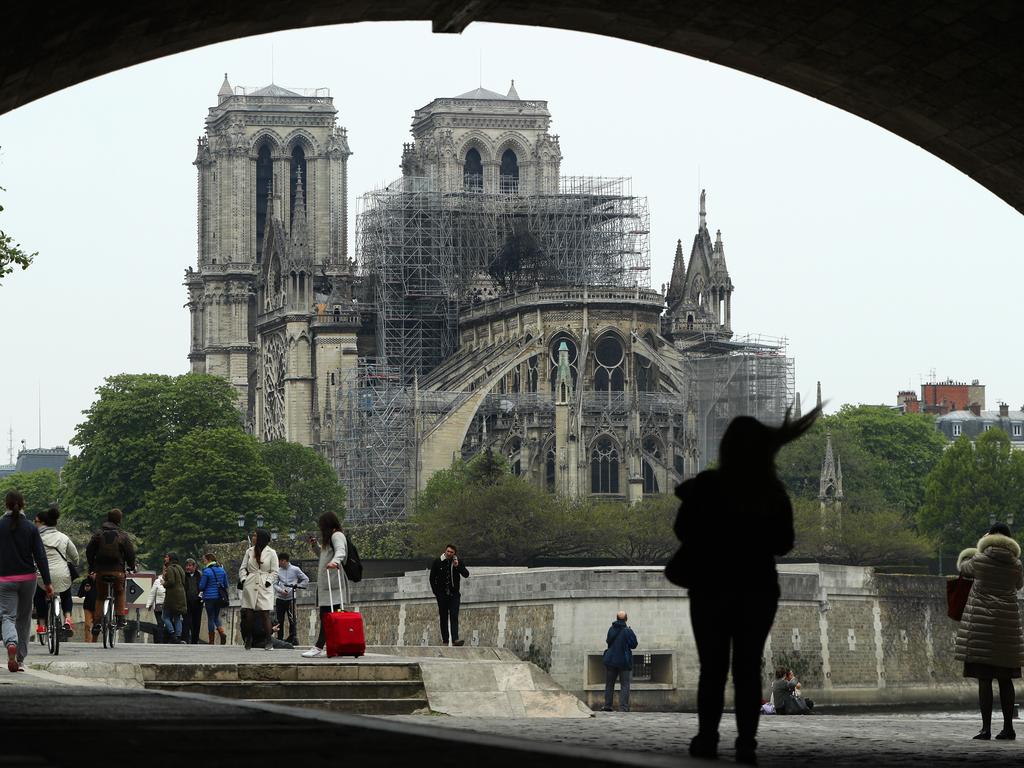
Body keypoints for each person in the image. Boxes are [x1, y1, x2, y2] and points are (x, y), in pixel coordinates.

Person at [666, 407, 820, 765]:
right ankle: (746, 743)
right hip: (756, 588)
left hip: (710, 587)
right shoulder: (771, 493)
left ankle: (707, 738)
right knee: (747, 669)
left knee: (712, 669)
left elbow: (682, 530)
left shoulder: (707, 488)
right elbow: (784, 543)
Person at [955, 521, 1024, 741]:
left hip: (981, 629)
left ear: (989, 537)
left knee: (984, 680)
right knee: (1006, 680)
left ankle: (985, 729)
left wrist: (977, 548)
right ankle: (1008, 728)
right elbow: (1019, 585)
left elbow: (962, 567)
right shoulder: (1016, 564)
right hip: (1007, 629)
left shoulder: (979, 559)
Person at [0, 491, 53, 672]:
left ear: (6, 505)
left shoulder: (0, 526)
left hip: (4, 579)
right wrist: (47, 582)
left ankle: (11, 643)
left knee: (7, 616)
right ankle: (20, 659)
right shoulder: (31, 528)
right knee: (23, 619)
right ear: (23, 505)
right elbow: (40, 557)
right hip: (28, 579)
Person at [302, 512, 348, 658]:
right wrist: (315, 546)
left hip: (333, 584)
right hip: (328, 584)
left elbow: (341, 551)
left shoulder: (337, 536)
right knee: (330, 617)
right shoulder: (330, 539)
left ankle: (318, 646)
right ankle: (336, 645)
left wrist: (335, 562)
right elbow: (323, 556)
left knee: (327, 616)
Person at [85, 508, 137, 635]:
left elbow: (89, 550)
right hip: (117, 571)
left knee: (101, 596)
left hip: (101, 571)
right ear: (119, 520)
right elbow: (130, 553)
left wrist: (92, 566)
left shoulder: (98, 534)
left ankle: (97, 623)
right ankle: (120, 618)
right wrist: (131, 566)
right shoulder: (122, 535)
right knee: (119, 592)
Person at [32, 504, 78, 637]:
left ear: (43, 523)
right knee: (66, 592)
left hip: (43, 575)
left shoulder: (36, 538)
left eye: (36, 522)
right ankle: (68, 618)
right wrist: (75, 563)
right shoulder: (64, 537)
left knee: (39, 595)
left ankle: (41, 624)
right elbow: (75, 556)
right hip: (62, 574)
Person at [239, 529, 278, 651]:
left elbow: (275, 570)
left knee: (265, 612)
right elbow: (243, 568)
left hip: (264, 583)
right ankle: (249, 638)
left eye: (255, 535)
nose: (253, 537)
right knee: (249, 613)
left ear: (261, 538)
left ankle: (268, 640)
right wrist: (244, 579)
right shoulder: (249, 551)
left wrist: (268, 581)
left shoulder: (271, 553)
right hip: (250, 582)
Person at [429, 544, 469, 647]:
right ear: (445, 551)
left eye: (451, 552)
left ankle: (455, 639)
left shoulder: (457, 562)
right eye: (448, 551)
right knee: (443, 617)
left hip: (454, 594)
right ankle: (445, 640)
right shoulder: (437, 561)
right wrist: (436, 593)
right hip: (442, 595)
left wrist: (457, 566)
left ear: (454, 553)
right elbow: (432, 578)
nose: (449, 553)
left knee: (454, 615)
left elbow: (466, 574)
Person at [602, 610, 638, 712]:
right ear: (626, 619)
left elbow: (608, 641)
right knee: (625, 685)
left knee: (609, 684)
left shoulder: (611, 629)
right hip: (624, 662)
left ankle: (607, 706)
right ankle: (623, 707)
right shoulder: (628, 631)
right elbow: (634, 645)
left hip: (611, 661)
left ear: (617, 618)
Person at [275, 552, 309, 645]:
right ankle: (279, 637)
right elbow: (274, 583)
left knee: (292, 619)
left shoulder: (295, 569)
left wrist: (297, 586)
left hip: (291, 598)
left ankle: (292, 637)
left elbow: (306, 579)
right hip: (280, 598)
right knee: (279, 619)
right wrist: (280, 590)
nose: (279, 563)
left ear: (285, 561)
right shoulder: (277, 571)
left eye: (281, 561)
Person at [198, 553, 229, 645]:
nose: (204, 562)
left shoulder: (207, 571)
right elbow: (226, 584)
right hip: (219, 598)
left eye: (204, 560)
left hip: (209, 598)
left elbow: (202, 586)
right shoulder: (222, 570)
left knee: (210, 618)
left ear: (208, 560)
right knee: (216, 616)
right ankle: (222, 632)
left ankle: (211, 641)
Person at [161, 553, 187, 644]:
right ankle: (178, 636)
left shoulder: (170, 568)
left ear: (171, 558)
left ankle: (172, 634)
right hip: (181, 595)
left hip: (172, 596)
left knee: (165, 617)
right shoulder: (180, 568)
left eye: (167, 557)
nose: (165, 558)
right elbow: (184, 581)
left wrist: (164, 583)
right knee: (177, 617)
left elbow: (171, 582)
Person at [183, 558, 203, 644]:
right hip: (186, 602)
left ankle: (195, 640)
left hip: (197, 602)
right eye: (187, 565)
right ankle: (185, 639)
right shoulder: (183, 576)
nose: (188, 567)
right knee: (186, 621)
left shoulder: (200, 575)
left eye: (190, 566)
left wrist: (201, 596)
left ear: (194, 567)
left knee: (196, 622)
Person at [146, 572, 165, 643]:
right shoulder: (157, 581)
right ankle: (160, 640)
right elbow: (152, 593)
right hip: (158, 607)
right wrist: (149, 604)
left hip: (169, 606)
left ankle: (165, 639)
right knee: (160, 623)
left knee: (167, 624)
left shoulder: (172, 581)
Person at [77, 572, 97, 642]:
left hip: (98, 607)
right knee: (87, 625)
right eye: (91, 574)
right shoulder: (85, 582)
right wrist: (85, 590)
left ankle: (94, 641)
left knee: (96, 626)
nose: (93, 575)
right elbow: (79, 594)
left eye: (94, 573)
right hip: (87, 607)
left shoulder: (100, 582)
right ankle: (87, 641)